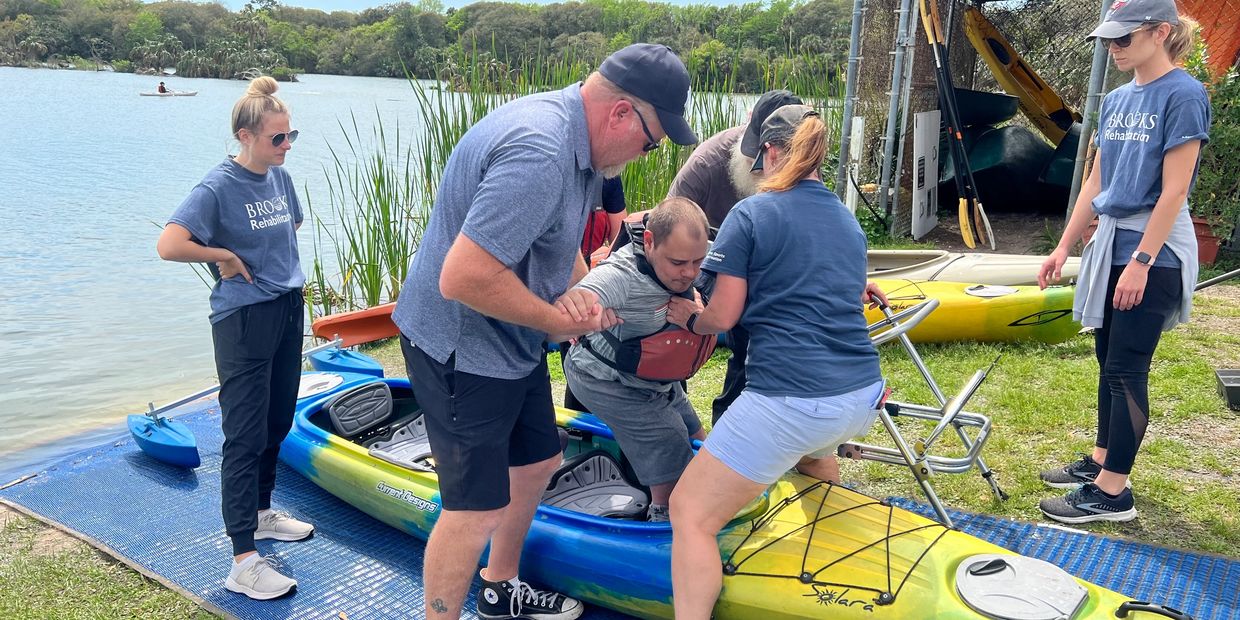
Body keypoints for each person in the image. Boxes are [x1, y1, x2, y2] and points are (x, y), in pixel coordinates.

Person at [390, 43, 696, 620]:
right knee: (473, 508)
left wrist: (584, 293)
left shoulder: (577, 142)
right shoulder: (542, 151)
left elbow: (553, 248)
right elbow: (463, 277)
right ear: (622, 113)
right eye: (651, 141)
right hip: (461, 345)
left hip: (508, 340)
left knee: (534, 463)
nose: (641, 155)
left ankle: (499, 587)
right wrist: (559, 320)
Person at [662, 105, 887, 617]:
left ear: (768, 152)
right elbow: (846, 298)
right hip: (860, 396)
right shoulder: (846, 220)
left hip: (792, 398)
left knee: (689, 511)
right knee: (813, 460)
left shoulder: (751, 213)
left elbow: (722, 316)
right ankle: (836, 583)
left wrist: (688, 317)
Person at [1037, 0, 1209, 525]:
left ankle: (1115, 494)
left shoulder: (1184, 93)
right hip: (1110, 243)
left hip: (1153, 250)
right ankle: (1102, 461)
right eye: (1109, 39)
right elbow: (1096, 182)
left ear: (1160, 33)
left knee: (1127, 367)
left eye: (1123, 38)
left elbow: (1174, 191)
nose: (1113, 48)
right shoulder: (1114, 100)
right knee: (1107, 360)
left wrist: (1141, 259)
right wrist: (1064, 245)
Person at [156, 76, 311, 600]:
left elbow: (290, 232)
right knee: (244, 434)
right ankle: (242, 559)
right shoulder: (216, 187)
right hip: (244, 320)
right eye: (277, 138)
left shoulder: (280, 178)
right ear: (245, 136)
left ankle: (263, 513)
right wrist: (221, 255)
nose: (286, 146)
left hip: (287, 308)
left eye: (291, 136)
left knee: (277, 420)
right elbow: (170, 244)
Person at [561, 197, 712, 522]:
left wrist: (697, 313)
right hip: (602, 378)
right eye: (678, 263)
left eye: (697, 262)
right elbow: (577, 300)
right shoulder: (622, 275)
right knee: (669, 436)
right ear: (649, 242)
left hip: (655, 378)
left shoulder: (687, 258)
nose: (689, 273)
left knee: (698, 434)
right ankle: (664, 515)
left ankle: (701, 489)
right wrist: (584, 314)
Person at [667, 89, 802, 426]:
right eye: (758, 153)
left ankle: (731, 423)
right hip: (703, 257)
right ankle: (672, 415)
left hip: (761, 265)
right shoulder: (707, 162)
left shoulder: (802, 169)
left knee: (752, 347)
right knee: (672, 336)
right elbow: (667, 223)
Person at [561, 176, 629, 412]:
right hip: (544, 280)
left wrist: (604, 290)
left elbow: (621, 238)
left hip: (586, 278)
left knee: (583, 351)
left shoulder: (608, 178)